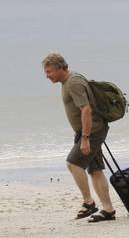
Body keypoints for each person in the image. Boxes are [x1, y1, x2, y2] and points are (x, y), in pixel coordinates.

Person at [42, 53, 116, 222]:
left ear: (61, 68)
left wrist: (85, 138)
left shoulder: (73, 82)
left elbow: (86, 110)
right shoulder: (69, 80)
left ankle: (88, 202)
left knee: (73, 163)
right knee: (95, 170)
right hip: (90, 130)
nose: (47, 76)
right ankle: (108, 210)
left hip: (91, 131)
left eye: (49, 72)